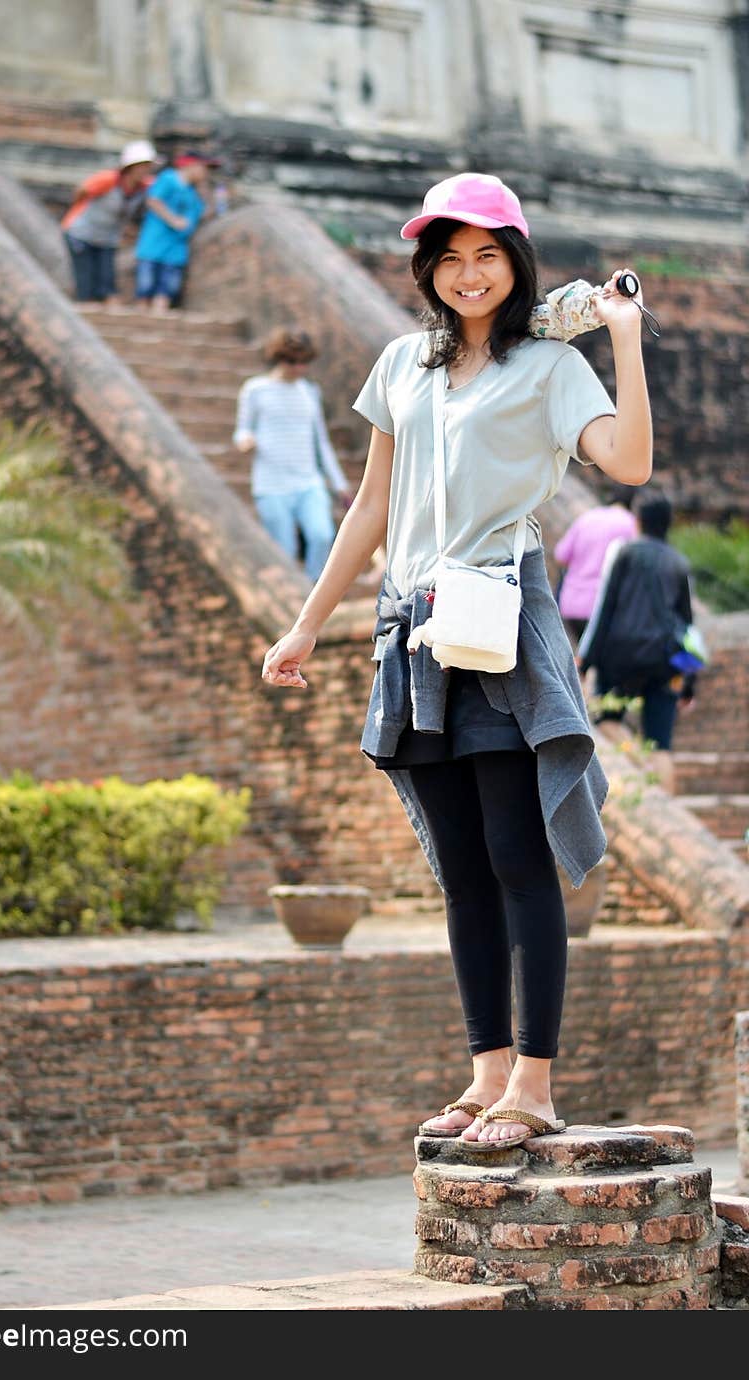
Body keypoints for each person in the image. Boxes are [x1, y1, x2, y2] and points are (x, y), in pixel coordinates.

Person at [260, 172, 652, 1149]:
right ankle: (483, 1076)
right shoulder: (401, 365)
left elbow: (631, 464)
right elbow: (370, 507)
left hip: (497, 619)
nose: (466, 274)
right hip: (412, 624)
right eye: (448, 257)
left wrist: (626, 340)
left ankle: (536, 1084)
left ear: (514, 264)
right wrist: (307, 622)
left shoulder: (552, 370)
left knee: (520, 859)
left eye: (486, 255)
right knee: (462, 872)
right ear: (427, 269)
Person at [577, 495, 695, 781]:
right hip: (664, 659)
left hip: (620, 657)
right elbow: (688, 627)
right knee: (661, 745)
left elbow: (604, 609)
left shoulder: (623, 551)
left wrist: (584, 660)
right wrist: (690, 682)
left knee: (605, 720)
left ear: (638, 520)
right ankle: (666, 807)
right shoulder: (678, 562)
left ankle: (640, 770)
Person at [234, 329, 352, 581]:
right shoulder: (255, 389)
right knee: (284, 550)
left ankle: (311, 592)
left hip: (308, 480)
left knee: (321, 535)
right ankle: (295, 598)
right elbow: (242, 429)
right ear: (279, 358)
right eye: (292, 361)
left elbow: (321, 440)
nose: (298, 368)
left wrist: (339, 483)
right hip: (271, 483)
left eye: (304, 362)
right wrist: (246, 441)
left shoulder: (310, 391)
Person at [61, 140, 157, 304]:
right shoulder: (108, 180)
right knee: (86, 277)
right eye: (142, 166)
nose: (145, 171)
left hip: (107, 238)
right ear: (130, 167)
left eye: (148, 167)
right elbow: (81, 191)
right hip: (81, 233)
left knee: (107, 279)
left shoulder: (144, 187)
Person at [554, 485, 639, 641]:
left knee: (582, 656)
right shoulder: (630, 524)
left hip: (571, 604)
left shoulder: (587, 518)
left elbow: (561, 555)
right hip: (604, 607)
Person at [134, 152, 214, 312]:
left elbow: (205, 214)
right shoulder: (169, 179)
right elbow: (153, 200)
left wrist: (205, 191)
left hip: (176, 250)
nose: (206, 173)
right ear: (192, 165)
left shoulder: (194, 193)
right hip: (154, 244)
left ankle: (158, 315)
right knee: (146, 286)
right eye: (204, 168)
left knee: (167, 289)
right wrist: (173, 220)